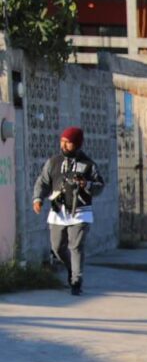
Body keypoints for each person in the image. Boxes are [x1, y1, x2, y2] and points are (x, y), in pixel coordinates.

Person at [32, 126, 106, 296]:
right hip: (58, 211)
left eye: (69, 143)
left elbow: (100, 186)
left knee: (76, 246)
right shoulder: (53, 162)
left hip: (80, 211)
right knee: (57, 247)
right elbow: (42, 182)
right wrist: (38, 199)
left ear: (77, 144)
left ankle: (76, 280)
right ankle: (71, 269)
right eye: (62, 141)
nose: (64, 146)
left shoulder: (88, 165)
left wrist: (86, 185)